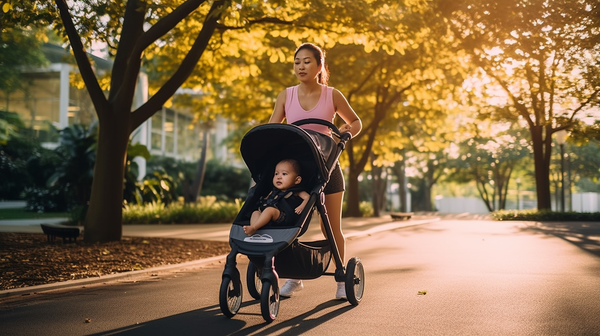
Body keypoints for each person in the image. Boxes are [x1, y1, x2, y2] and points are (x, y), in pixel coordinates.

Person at [268, 42, 362, 300]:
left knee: (330, 226)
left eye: (307, 61)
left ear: (320, 66)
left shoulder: (332, 95)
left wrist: (346, 133)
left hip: (327, 166)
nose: (301, 66)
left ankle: (342, 279)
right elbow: (273, 128)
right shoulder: (285, 96)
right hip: (297, 171)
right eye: (297, 61)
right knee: (292, 224)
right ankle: (295, 277)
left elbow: (355, 121)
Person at [243, 159, 310, 236]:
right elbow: (266, 200)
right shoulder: (273, 191)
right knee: (255, 213)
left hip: (285, 218)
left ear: (297, 180)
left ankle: (254, 227)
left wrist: (301, 206)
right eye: (276, 174)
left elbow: (307, 197)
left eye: (284, 174)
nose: (279, 177)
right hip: (271, 216)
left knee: (269, 210)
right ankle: (254, 228)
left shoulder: (296, 191)